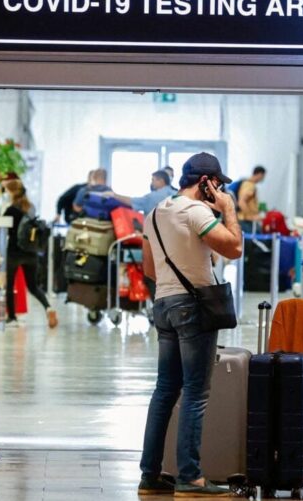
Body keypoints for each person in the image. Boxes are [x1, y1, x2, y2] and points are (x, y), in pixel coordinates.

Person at [138, 152, 243, 496]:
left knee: (165, 390)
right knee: (196, 393)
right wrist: (227, 209)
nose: (221, 189)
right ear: (206, 183)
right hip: (193, 308)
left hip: (163, 305)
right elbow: (234, 248)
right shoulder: (196, 212)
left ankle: (150, 474)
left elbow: (149, 270)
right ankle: (190, 476)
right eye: (218, 184)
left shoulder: (154, 214)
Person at [2, 180, 58, 328]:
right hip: (31, 252)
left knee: (10, 285)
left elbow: (5, 230)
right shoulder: (30, 208)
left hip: (14, 252)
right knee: (33, 286)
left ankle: (12, 317)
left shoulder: (10, 210)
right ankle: (48, 307)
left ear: (12, 193)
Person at [97, 170, 178, 215]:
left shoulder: (152, 197)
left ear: (161, 181)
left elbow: (132, 201)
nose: (152, 183)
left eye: (153, 180)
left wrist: (114, 195)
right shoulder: (177, 194)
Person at [232, 166, 266, 232]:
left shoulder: (247, 183)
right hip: (246, 222)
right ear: (259, 174)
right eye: (263, 176)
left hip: (244, 221)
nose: (263, 179)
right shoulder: (250, 185)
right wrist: (251, 216)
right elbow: (241, 202)